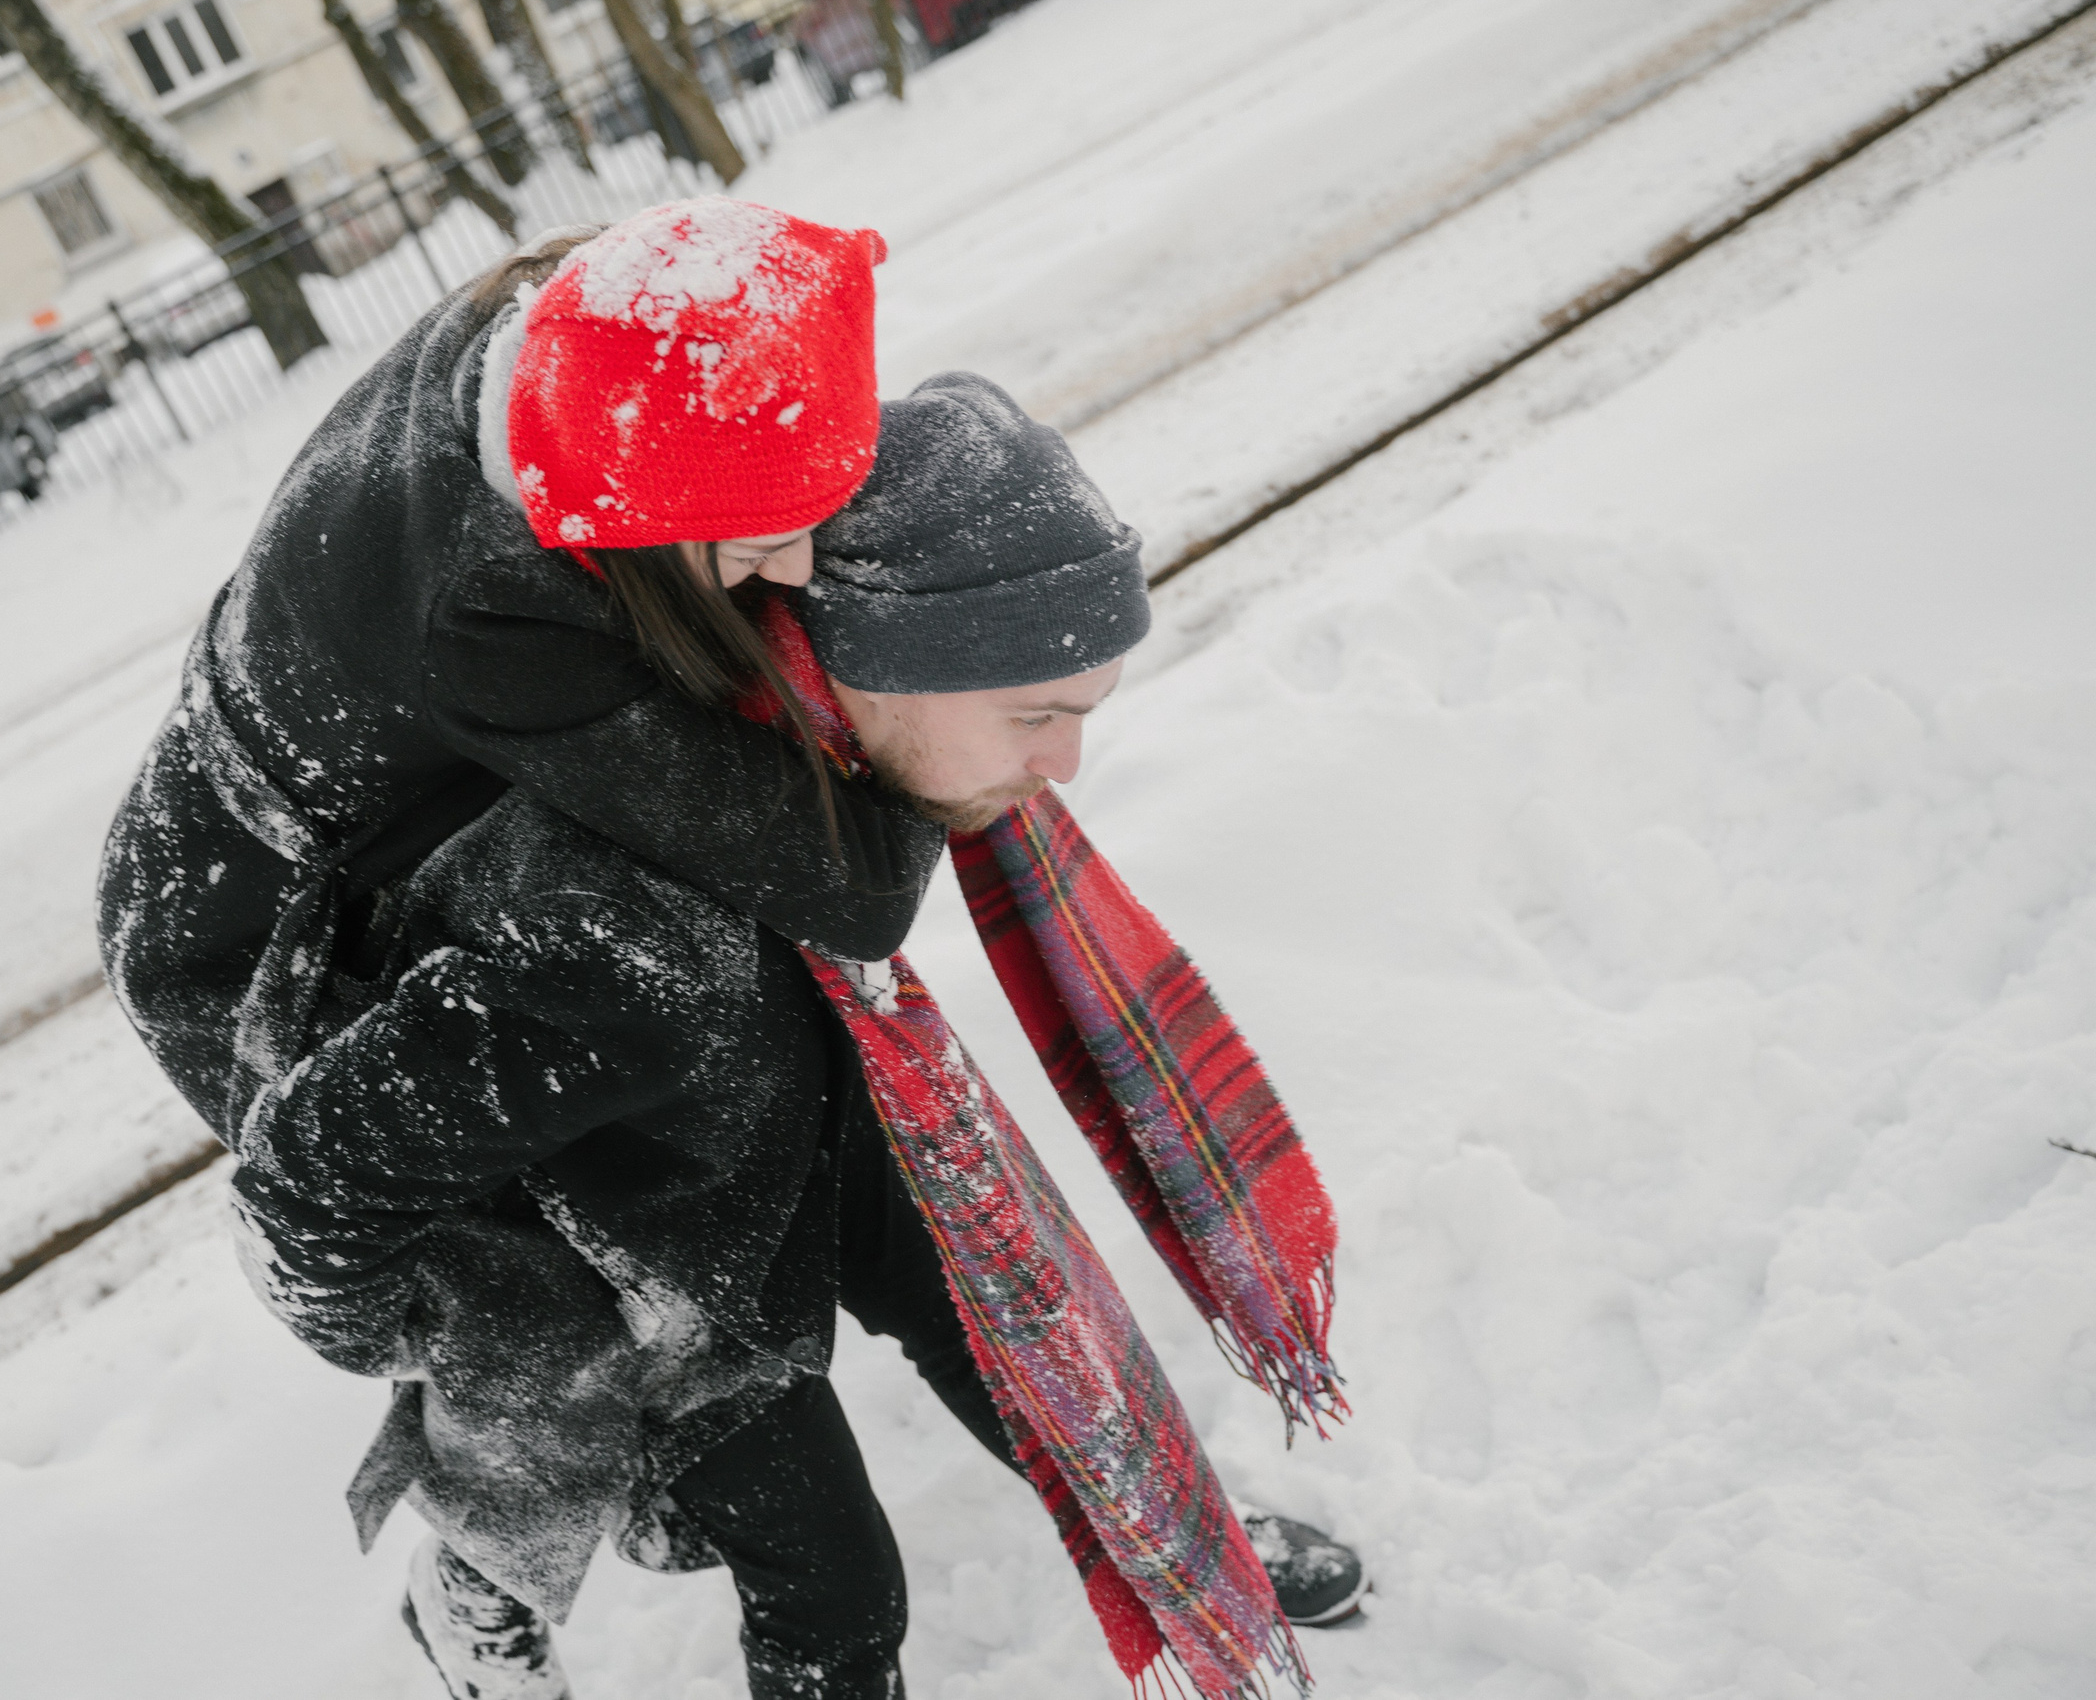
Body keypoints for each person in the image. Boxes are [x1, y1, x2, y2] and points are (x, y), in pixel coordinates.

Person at [222, 374, 1366, 1700]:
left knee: (1016, 1328)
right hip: (647, 1270)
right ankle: (472, 1590)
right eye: (1036, 713)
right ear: (884, 665)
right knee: (834, 1589)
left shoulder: (796, 742)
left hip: (792, 1096)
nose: (1063, 770)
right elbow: (303, 1177)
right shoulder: (610, 939)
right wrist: (449, 1330)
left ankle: (1179, 1540)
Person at [100, 199, 937, 1161]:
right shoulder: (492, 617)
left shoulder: (587, 334)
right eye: (761, 539)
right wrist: (939, 719)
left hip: (347, 778)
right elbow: (850, 885)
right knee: (627, 1214)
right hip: (266, 937)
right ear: (639, 516)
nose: (798, 571)